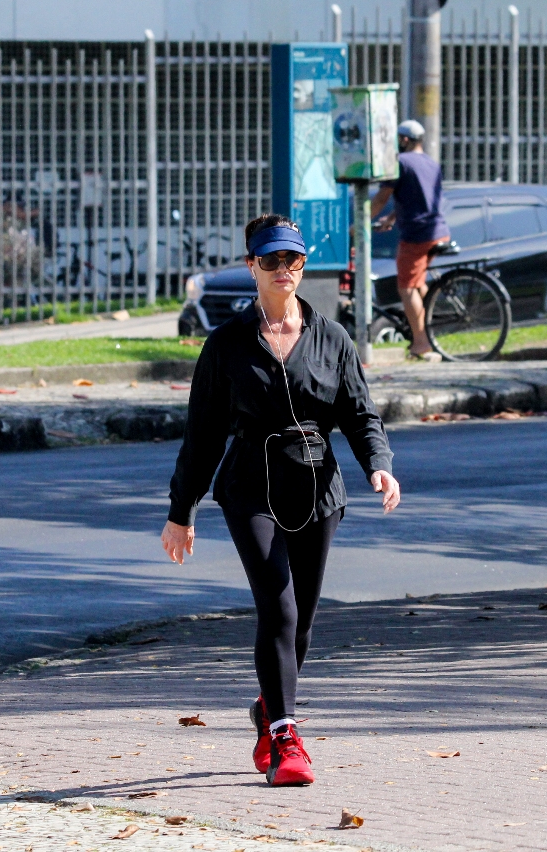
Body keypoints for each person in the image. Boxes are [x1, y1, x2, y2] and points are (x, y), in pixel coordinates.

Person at [161, 214, 401, 787]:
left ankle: (269, 705)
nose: (285, 271)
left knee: (303, 623)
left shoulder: (332, 338)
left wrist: (380, 467)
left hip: (318, 490)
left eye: (293, 261)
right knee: (279, 606)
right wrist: (181, 511)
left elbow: (359, 413)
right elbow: (203, 434)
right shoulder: (226, 346)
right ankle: (285, 736)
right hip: (250, 490)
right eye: (271, 261)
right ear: (252, 267)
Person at [370, 119, 450, 359]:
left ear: (403, 140)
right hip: (438, 229)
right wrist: (392, 218)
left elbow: (382, 197)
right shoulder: (431, 163)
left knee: (406, 288)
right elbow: (419, 198)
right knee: (418, 284)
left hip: (417, 234)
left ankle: (422, 343)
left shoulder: (400, 162)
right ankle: (432, 332)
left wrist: (362, 220)